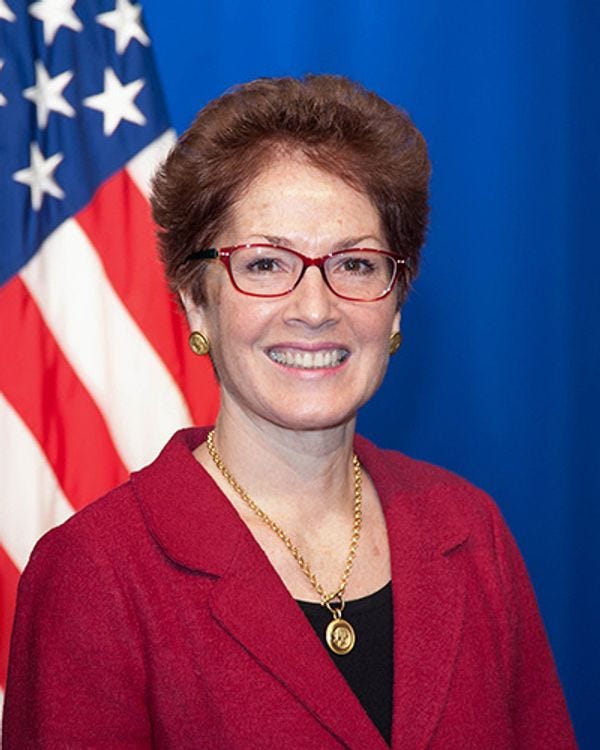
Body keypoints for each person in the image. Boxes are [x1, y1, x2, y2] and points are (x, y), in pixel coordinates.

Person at [3, 75, 576, 749]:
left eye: (355, 265)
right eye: (266, 264)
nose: (315, 308)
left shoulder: (471, 531)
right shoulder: (95, 574)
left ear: (397, 302)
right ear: (196, 303)